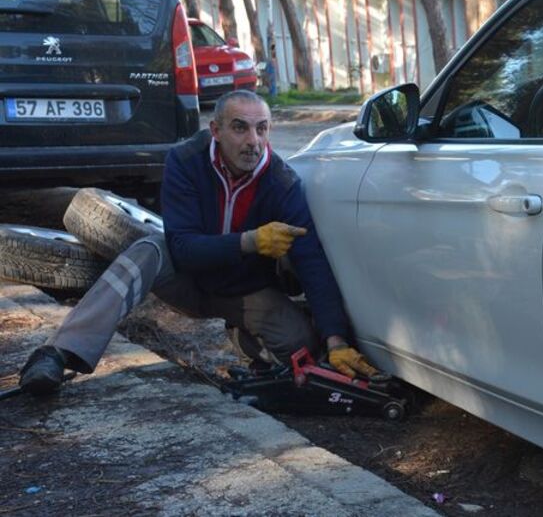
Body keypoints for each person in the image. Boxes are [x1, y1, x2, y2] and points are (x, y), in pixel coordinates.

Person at [18, 90, 380, 395]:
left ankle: (246, 341)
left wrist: (336, 341)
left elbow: (311, 259)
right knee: (148, 250)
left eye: (262, 129)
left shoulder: (282, 183)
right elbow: (185, 249)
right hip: (186, 279)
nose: (252, 141)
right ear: (216, 130)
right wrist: (250, 241)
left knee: (301, 347)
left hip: (244, 291)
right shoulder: (186, 160)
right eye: (240, 128)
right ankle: (59, 353)